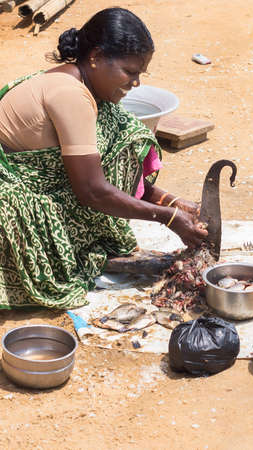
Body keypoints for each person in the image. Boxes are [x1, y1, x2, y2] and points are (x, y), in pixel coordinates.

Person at [0, 7, 207, 310]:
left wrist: (172, 202)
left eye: (140, 74)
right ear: (95, 57)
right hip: (11, 193)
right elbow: (92, 190)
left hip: (49, 178)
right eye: (129, 71)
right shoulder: (70, 95)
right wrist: (169, 219)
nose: (136, 83)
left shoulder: (81, 83)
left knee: (121, 132)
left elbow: (107, 168)